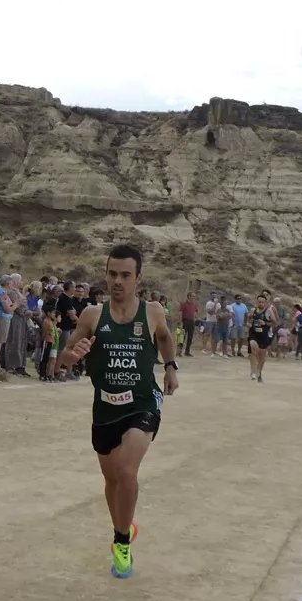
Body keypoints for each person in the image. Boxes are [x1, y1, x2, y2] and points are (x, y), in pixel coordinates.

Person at [57, 244, 178, 580]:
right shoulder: (92, 316)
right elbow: (64, 357)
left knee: (126, 471)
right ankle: (122, 529)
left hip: (143, 402)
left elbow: (165, 338)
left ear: (138, 278)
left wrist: (170, 366)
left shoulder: (152, 312)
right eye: (112, 274)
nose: (117, 281)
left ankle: (122, 543)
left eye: (125, 275)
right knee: (111, 479)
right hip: (105, 407)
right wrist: (72, 355)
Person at [247, 292, 277, 383]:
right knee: (253, 348)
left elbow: (275, 323)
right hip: (254, 333)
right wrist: (249, 322)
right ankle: (253, 370)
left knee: (262, 356)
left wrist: (265, 323)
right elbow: (249, 319)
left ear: (265, 303)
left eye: (262, 302)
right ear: (257, 302)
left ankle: (259, 372)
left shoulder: (269, 311)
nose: (260, 304)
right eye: (259, 302)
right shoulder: (253, 310)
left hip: (264, 335)